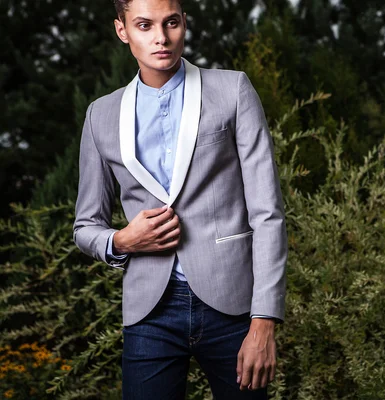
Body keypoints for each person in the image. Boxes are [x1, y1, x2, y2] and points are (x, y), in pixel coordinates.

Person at [72, 0, 288, 398]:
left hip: (234, 306)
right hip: (149, 311)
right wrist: (121, 241)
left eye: (171, 22)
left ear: (184, 22)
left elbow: (268, 213)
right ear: (122, 31)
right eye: (144, 25)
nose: (161, 37)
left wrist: (264, 320)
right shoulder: (99, 116)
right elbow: (86, 227)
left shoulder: (232, 90)